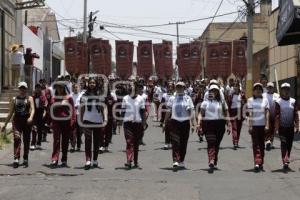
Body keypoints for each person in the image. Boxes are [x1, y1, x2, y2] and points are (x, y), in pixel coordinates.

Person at [197, 84, 231, 173]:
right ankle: (211, 160)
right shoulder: (205, 102)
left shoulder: (222, 102)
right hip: (208, 124)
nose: (213, 92)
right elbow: (201, 113)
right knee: (211, 142)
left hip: (220, 124)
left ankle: (214, 161)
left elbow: (226, 113)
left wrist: (229, 124)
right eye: (212, 91)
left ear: (218, 92)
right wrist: (198, 123)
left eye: (215, 91)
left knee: (216, 144)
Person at [1, 82, 35, 168]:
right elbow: (10, 113)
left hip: (26, 121)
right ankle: (16, 158)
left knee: (26, 140)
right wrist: (5, 125)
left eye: (24, 88)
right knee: (17, 138)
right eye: (21, 88)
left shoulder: (30, 98)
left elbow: (33, 109)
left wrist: (31, 117)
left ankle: (25, 157)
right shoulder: (14, 99)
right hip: (17, 121)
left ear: (26, 89)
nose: (22, 90)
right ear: (19, 89)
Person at [163, 81, 196, 169]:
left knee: (183, 143)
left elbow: (191, 111)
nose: (179, 88)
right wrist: (164, 122)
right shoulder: (172, 98)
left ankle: (181, 160)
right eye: (177, 87)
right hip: (175, 122)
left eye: (181, 87)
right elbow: (168, 111)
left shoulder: (187, 98)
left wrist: (193, 124)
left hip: (185, 123)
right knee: (175, 142)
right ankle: (175, 160)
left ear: (184, 88)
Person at [80, 77, 108, 169]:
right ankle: (88, 160)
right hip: (87, 120)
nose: (92, 84)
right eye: (90, 83)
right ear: (88, 84)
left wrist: (105, 119)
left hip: (98, 120)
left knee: (96, 141)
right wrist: (80, 119)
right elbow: (82, 108)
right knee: (88, 140)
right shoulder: (84, 95)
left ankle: (95, 160)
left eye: (94, 83)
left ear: (96, 84)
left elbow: (104, 107)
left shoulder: (100, 95)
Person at [49, 81, 76, 168]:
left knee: (65, 141)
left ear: (64, 88)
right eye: (57, 87)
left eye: (61, 87)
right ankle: (55, 159)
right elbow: (50, 110)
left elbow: (73, 111)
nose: (59, 89)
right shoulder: (53, 98)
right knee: (56, 140)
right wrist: (49, 122)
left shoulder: (69, 98)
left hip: (66, 122)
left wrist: (73, 121)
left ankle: (64, 159)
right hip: (56, 121)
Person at [121, 82, 147, 169]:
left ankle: (135, 161)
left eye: (132, 86)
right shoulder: (125, 98)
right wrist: (119, 121)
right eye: (129, 86)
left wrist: (144, 123)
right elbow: (123, 111)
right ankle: (129, 161)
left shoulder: (140, 99)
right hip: (127, 123)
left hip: (137, 123)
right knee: (129, 142)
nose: (131, 87)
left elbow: (143, 112)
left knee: (136, 143)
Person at [275, 83, 299, 170]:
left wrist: (297, 126)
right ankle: (285, 160)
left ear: (290, 90)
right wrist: (277, 128)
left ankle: (286, 159)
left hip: (290, 127)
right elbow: (277, 115)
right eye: (284, 89)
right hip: (282, 127)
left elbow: (296, 114)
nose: (286, 91)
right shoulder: (278, 102)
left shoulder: (293, 101)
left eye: (287, 89)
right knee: (284, 143)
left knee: (289, 145)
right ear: (281, 91)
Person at [247, 83, 270, 172]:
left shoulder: (265, 100)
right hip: (255, 126)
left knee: (261, 145)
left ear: (262, 90)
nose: (258, 90)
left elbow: (267, 113)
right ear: (253, 91)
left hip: (263, 126)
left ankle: (261, 162)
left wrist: (267, 125)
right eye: (256, 89)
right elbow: (250, 113)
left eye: (259, 89)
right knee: (255, 144)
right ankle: (257, 162)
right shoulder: (250, 100)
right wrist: (250, 125)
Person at [227, 82, 246, 150]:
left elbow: (244, 104)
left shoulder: (242, 95)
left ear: (238, 87)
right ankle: (235, 142)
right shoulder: (231, 95)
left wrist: (243, 98)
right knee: (234, 127)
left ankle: (237, 141)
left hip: (240, 112)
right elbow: (228, 105)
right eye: (234, 86)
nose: (235, 87)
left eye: (236, 86)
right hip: (233, 112)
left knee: (239, 128)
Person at [30, 84, 47, 151]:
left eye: (39, 88)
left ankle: (39, 143)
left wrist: (44, 113)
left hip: (41, 113)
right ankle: (32, 144)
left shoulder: (43, 97)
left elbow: (45, 106)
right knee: (34, 129)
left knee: (40, 129)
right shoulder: (33, 96)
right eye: (36, 88)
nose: (37, 89)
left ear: (40, 89)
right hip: (34, 113)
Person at [263, 82, 279, 151]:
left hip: (274, 115)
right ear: (267, 88)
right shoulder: (264, 95)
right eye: (269, 87)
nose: (270, 88)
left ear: (273, 88)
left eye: (271, 87)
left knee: (273, 129)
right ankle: (267, 140)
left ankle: (271, 142)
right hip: (266, 114)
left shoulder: (277, 95)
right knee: (267, 128)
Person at [161, 82, 175, 150]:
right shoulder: (164, 95)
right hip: (166, 112)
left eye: (171, 86)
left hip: (174, 113)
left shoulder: (175, 95)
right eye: (169, 86)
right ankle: (167, 143)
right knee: (167, 128)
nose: (170, 88)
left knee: (173, 129)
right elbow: (162, 104)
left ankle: (171, 142)